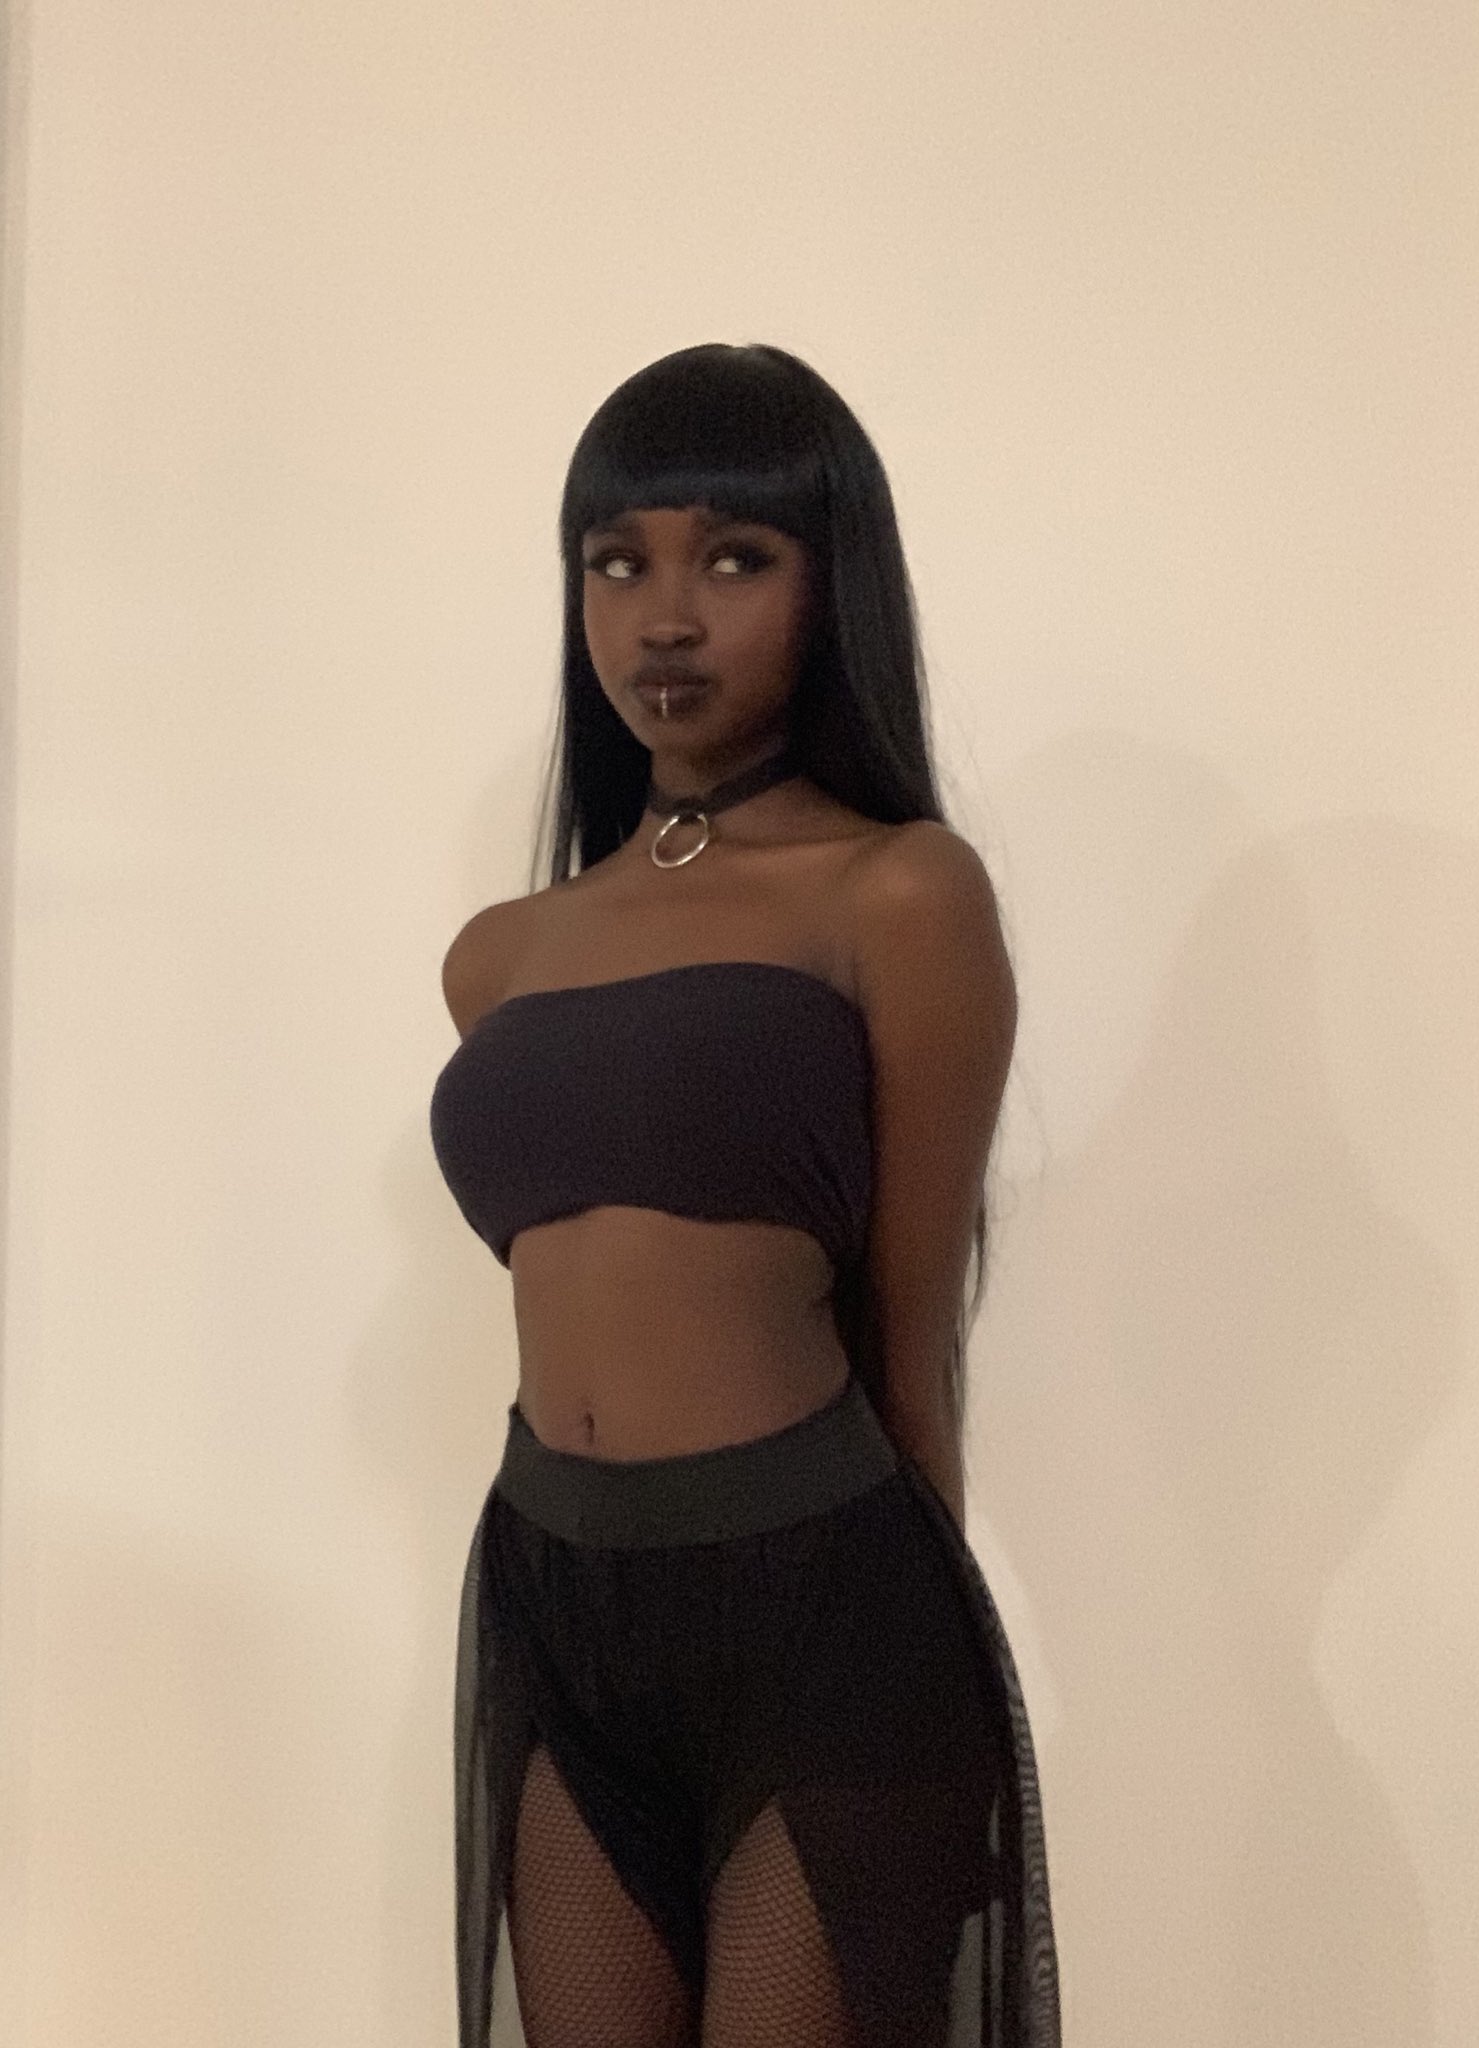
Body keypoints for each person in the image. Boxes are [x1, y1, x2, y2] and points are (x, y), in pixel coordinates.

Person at [429, 341, 1061, 2047]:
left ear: (830, 581)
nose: (665, 618)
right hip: (554, 1600)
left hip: (819, 1612)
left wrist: (940, 1699)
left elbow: (910, 1335)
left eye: (734, 556)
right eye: (615, 561)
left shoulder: (899, 894)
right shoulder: (501, 959)